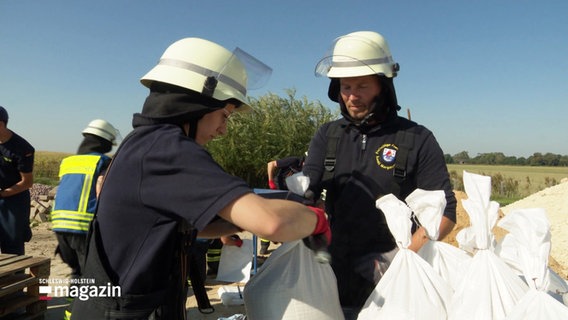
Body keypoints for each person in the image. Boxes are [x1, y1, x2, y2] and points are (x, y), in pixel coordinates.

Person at [71, 37, 329, 319]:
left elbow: (186, 228)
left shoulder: (144, 142)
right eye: (225, 115)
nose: (223, 131)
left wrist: (237, 221)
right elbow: (272, 222)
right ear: (195, 102)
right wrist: (318, 219)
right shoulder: (168, 150)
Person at [303, 31, 457, 319]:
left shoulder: (417, 138)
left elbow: (446, 211)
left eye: (362, 85)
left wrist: (402, 259)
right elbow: (306, 191)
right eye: (345, 86)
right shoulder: (328, 135)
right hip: (334, 279)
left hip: (396, 288)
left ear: (383, 86)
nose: (352, 95)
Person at [51, 119, 120, 320]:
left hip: (60, 227)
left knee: (78, 274)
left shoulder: (69, 162)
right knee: (93, 277)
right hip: (84, 229)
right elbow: (107, 195)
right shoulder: (103, 162)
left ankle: (70, 314)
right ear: (106, 141)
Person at [0, 106, 35, 255]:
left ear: (1, 124)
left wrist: (2, 194)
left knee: (12, 248)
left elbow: (27, 182)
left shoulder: (22, 148)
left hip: (14, 200)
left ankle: (15, 278)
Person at [261, 154, 305, 254]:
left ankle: (285, 245)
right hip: (276, 189)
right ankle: (264, 246)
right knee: (272, 217)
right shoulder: (293, 161)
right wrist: (271, 181)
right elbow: (270, 164)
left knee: (286, 218)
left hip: (288, 193)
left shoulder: (306, 169)